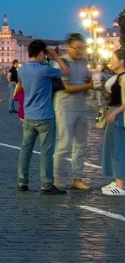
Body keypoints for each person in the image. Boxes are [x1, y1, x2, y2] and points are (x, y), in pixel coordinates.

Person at [16, 40, 70, 194]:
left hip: (28, 115)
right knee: (46, 152)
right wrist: (55, 56)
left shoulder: (22, 70)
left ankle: (22, 181)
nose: (45, 57)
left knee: (25, 149)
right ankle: (46, 184)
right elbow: (66, 72)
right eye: (44, 54)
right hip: (45, 116)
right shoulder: (45, 70)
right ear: (41, 53)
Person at [53, 34, 96, 191]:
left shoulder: (83, 63)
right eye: (76, 48)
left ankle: (77, 178)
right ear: (68, 46)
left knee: (81, 144)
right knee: (64, 144)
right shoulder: (62, 63)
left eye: (82, 48)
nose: (79, 51)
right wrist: (90, 86)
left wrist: (93, 82)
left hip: (81, 106)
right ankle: (56, 179)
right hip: (65, 106)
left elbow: (87, 80)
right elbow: (68, 88)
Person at [100, 49, 125, 195]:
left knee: (118, 149)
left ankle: (120, 185)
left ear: (122, 61)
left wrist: (115, 112)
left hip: (119, 116)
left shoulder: (123, 77)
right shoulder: (118, 77)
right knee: (115, 148)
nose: (112, 61)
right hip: (117, 114)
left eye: (114, 58)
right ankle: (118, 181)